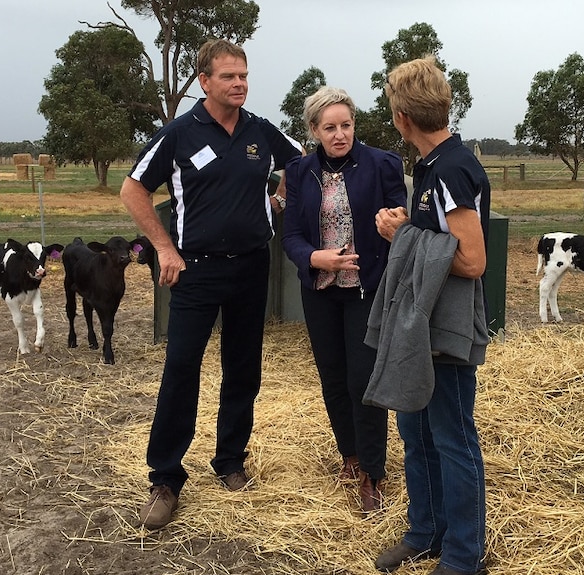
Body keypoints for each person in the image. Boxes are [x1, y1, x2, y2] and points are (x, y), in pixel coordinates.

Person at [120, 38, 303, 531]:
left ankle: (230, 461)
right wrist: (163, 247)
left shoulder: (260, 131)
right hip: (196, 269)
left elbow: (301, 162)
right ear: (204, 81)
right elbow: (133, 188)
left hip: (250, 267)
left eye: (243, 75)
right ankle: (165, 478)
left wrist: (278, 201)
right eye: (228, 76)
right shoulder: (180, 133)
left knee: (243, 368)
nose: (239, 83)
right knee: (181, 369)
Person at [370, 56, 490, 575]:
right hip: (420, 324)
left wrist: (405, 237)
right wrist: (411, 226)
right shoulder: (432, 167)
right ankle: (426, 533)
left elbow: (471, 260)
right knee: (415, 434)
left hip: (447, 328)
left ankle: (465, 557)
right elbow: (441, 238)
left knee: (453, 439)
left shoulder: (452, 169)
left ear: (402, 118)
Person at [281, 86, 407, 512]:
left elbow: (400, 219)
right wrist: (314, 257)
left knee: (363, 381)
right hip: (320, 291)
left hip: (365, 290)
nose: (340, 134)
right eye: (330, 127)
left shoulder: (382, 164)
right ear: (314, 130)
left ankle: (373, 472)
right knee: (333, 378)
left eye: (346, 125)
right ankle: (349, 456)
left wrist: (397, 219)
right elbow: (292, 235)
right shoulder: (299, 172)